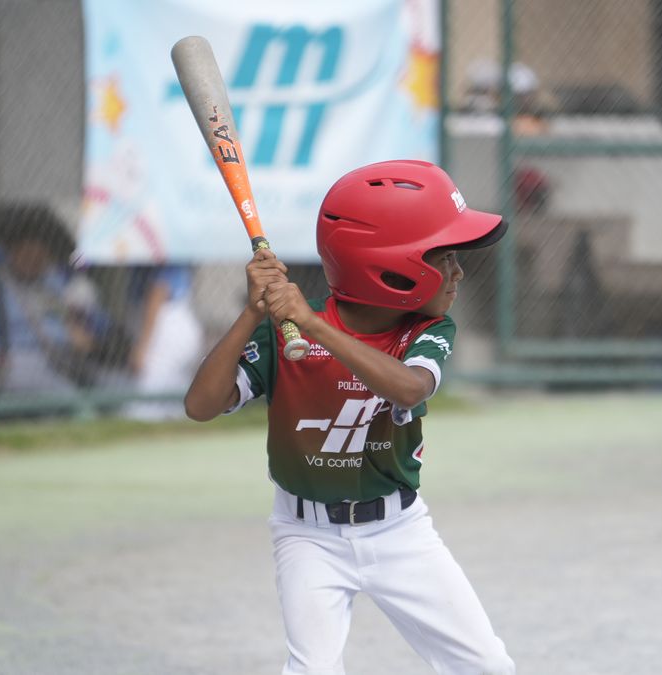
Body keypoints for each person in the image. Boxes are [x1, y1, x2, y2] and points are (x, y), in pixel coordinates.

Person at [185, 160, 514, 674]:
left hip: (399, 531)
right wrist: (254, 312)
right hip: (306, 534)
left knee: (489, 666)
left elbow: (409, 388)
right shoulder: (282, 332)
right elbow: (201, 406)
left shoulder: (426, 331)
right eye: (445, 257)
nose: (458, 271)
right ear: (394, 268)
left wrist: (313, 325)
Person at [0, 205, 109, 395]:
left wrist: (99, 348)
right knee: (66, 396)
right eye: (29, 255)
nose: (36, 263)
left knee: (118, 384)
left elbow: (70, 325)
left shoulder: (50, 280)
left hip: (60, 357)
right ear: (12, 250)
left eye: (41, 257)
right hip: (11, 360)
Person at [124, 264, 201, 421]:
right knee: (174, 404)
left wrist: (142, 346)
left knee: (143, 409)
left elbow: (158, 292)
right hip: (177, 324)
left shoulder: (162, 254)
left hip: (165, 329)